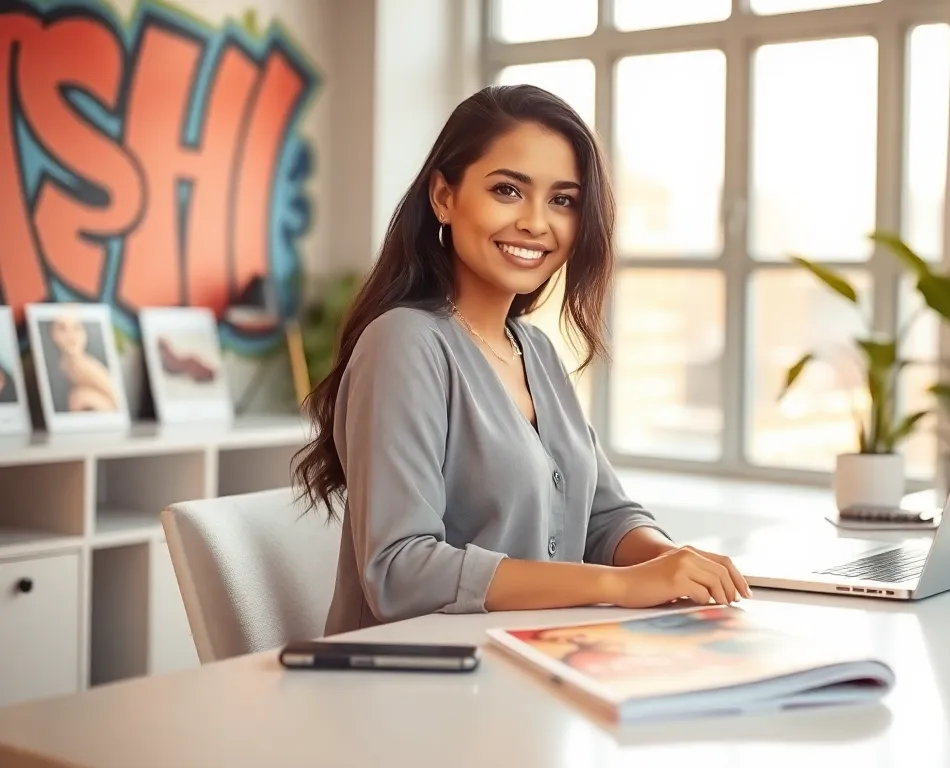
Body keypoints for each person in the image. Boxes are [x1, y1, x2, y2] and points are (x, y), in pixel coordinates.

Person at [293, 85, 751, 636]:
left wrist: (671, 564)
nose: (537, 222)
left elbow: (605, 519)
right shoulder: (402, 343)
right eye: (508, 190)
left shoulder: (535, 350)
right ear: (444, 196)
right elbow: (400, 571)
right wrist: (619, 586)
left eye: (563, 200)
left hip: (532, 665)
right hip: (412, 687)